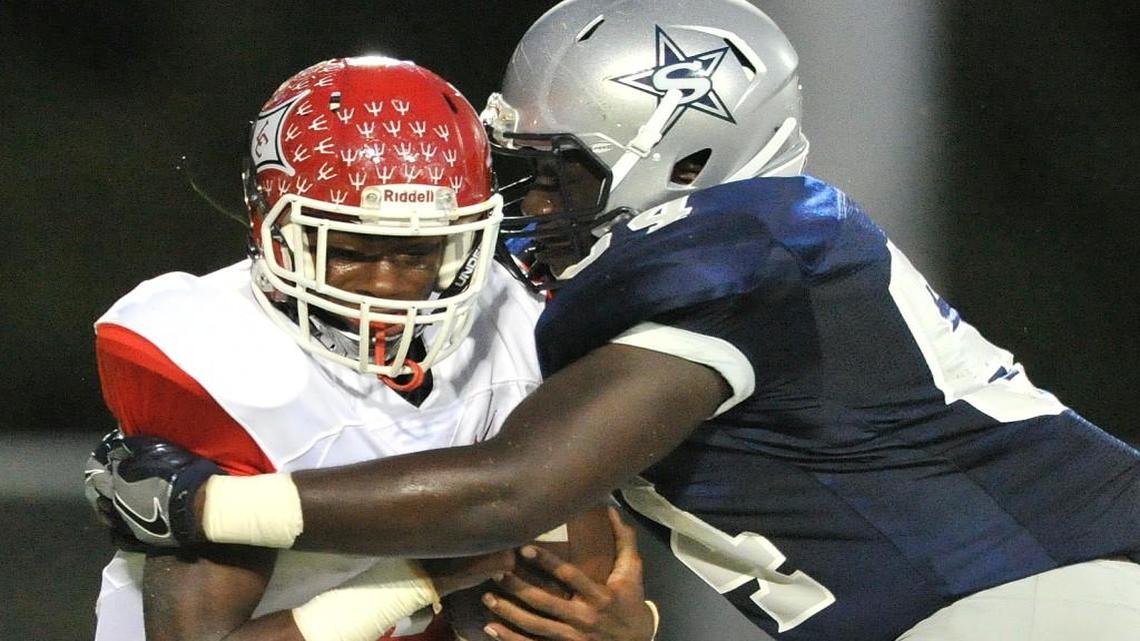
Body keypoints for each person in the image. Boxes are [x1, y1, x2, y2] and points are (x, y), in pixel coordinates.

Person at [95, 2, 1140, 641]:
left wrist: (201, 508)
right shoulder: (705, 271)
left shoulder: (746, 245)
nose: (526, 211)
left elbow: (513, 490)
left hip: (1040, 590)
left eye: (553, 178)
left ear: (682, 163)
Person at [85, 56, 656, 641]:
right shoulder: (217, 351)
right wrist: (413, 581)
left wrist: (622, 631)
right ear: (271, 225)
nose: (386, 283)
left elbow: (559, 538)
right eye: (352, 251)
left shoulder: (519, 315)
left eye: (417, 254)